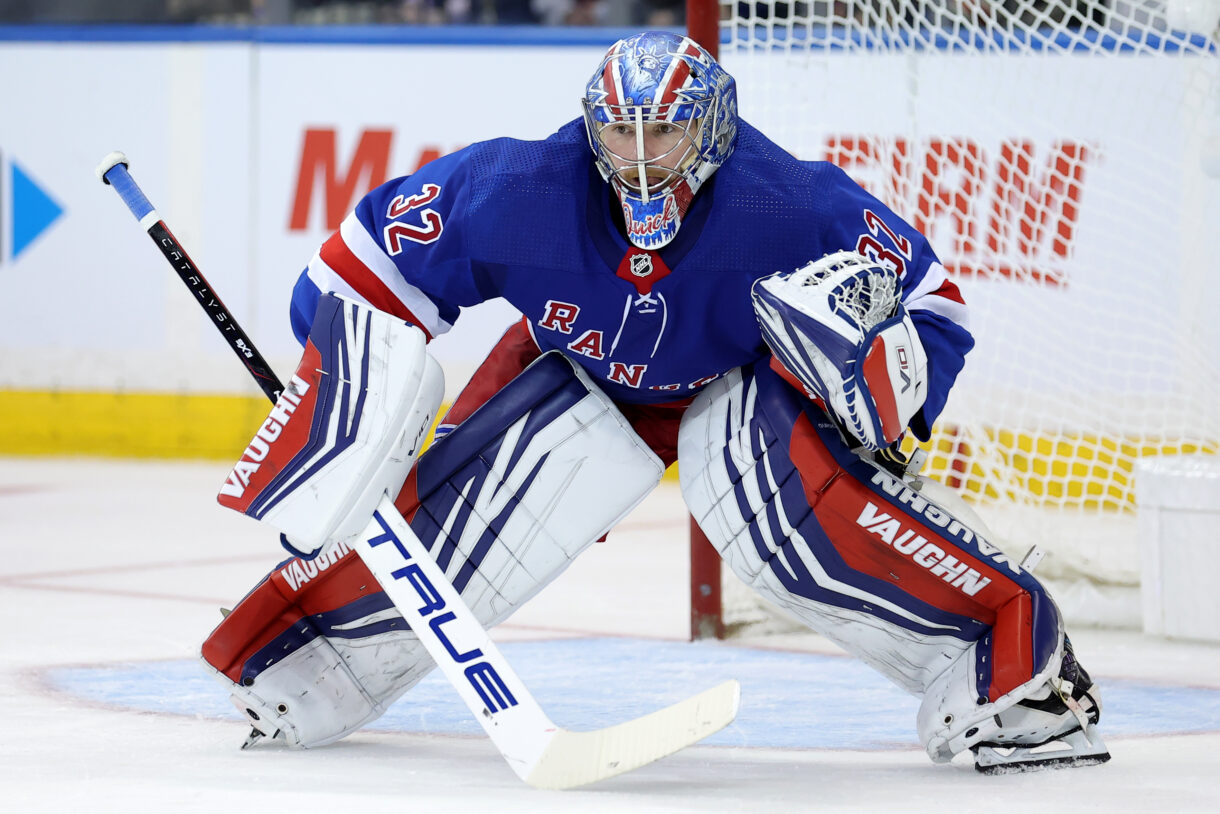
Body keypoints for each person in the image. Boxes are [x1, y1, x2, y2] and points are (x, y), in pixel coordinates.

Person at [201, 31, 1107, 773]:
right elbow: (359, 267)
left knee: (774, 515)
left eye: (662, 134)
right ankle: (303, 653)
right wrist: (351, 390)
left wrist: (880, 385)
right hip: (579, 364)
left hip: (737, 379)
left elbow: (935, 304)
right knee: (457, 526)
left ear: (709, 132)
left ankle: (1016, 663)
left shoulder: (790, 204)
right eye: (620, 134)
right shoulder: (518, 190)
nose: (636, 157)